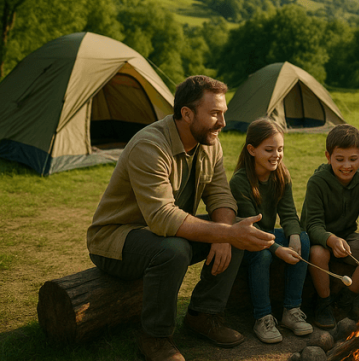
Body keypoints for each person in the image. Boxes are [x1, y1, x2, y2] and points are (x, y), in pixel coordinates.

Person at [87, 75, 275, 361]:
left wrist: (226, 234)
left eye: (223, 113)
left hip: (164, 232)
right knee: (175, 250)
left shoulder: (209, 143)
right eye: (215, 114)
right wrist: (225, 233)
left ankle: (204, 315)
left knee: (237, 227)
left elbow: (221, 196)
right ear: (187, 114)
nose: (223, 123)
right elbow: (161, 217)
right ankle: (155, 337)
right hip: (116, 239)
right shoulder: (150, 145)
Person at [229, 118, 312, 344]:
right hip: (247, 241)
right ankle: (262, 317)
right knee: (262, 255)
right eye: (269, 150)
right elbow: (252, 229)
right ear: (251, 149)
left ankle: (291, 310)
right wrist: (278, 250)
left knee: (303, 239)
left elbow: (289, 214)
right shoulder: (240, 182)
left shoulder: (281, 175)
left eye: (280, 149)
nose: (276, 155)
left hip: (268, 235)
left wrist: (293, 236)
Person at [300, 124, 359, 329]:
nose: (347, 165)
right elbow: (312, 224)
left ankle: (347, 299)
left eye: (353, 159)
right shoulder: (317, 182)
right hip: (319, 239)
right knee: (318, 254)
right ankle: (324, 303)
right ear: (328, 156)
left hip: (347, 236)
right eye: (339, 159)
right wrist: (330, 240)